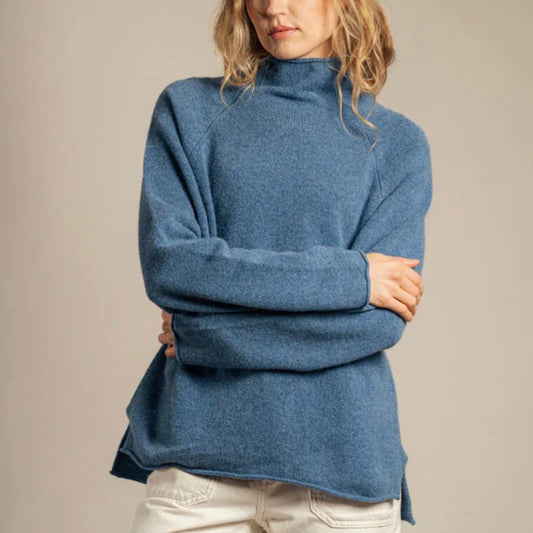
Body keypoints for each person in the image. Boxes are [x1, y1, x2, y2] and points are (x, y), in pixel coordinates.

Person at [109, 0, 433, 531]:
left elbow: (377, 323)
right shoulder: (189, 111)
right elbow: (171, 265)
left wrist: (200, 336)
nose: (272, 8)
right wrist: (350, 279)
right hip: (199, 461)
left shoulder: (395, 143)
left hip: (341, 466)